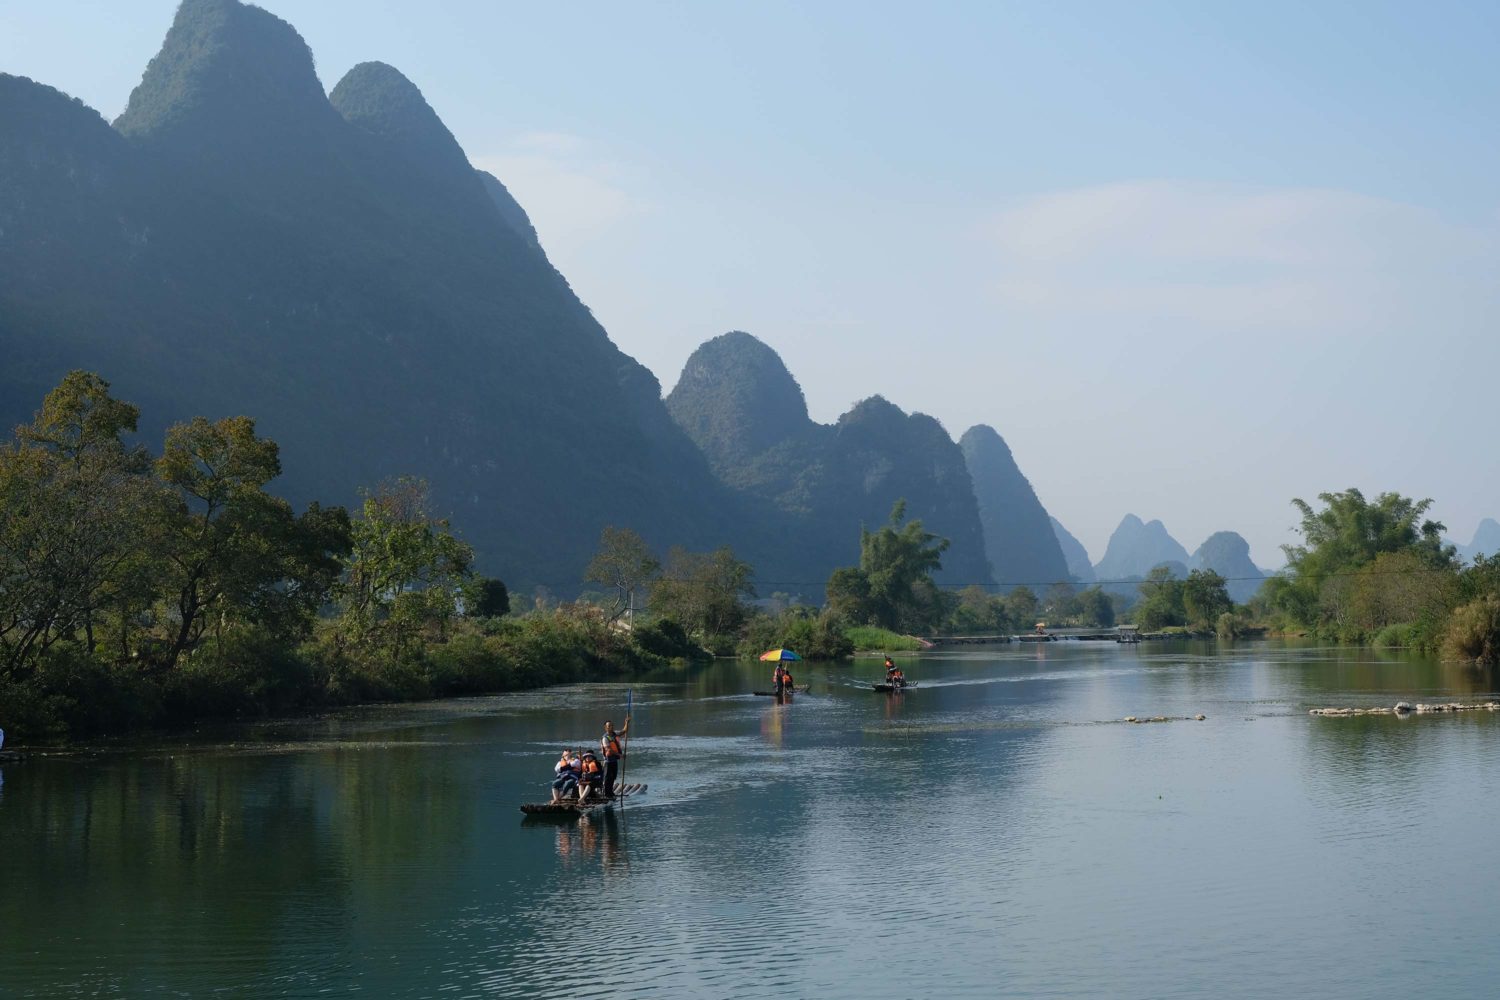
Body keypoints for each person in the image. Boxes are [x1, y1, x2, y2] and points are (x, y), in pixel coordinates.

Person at [600, 716, 630, 797]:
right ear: (605, 728)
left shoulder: (614, 733)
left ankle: (610, 792)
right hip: (608, 761)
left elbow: (624, 731)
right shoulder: (605, 738)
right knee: (608, 778)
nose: (611, 727)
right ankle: (606, 793)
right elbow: (609, 750)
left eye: (612, 725)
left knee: (613, 777)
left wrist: (626, 722)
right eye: (609, 726)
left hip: (614, 760)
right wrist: (620, 755)